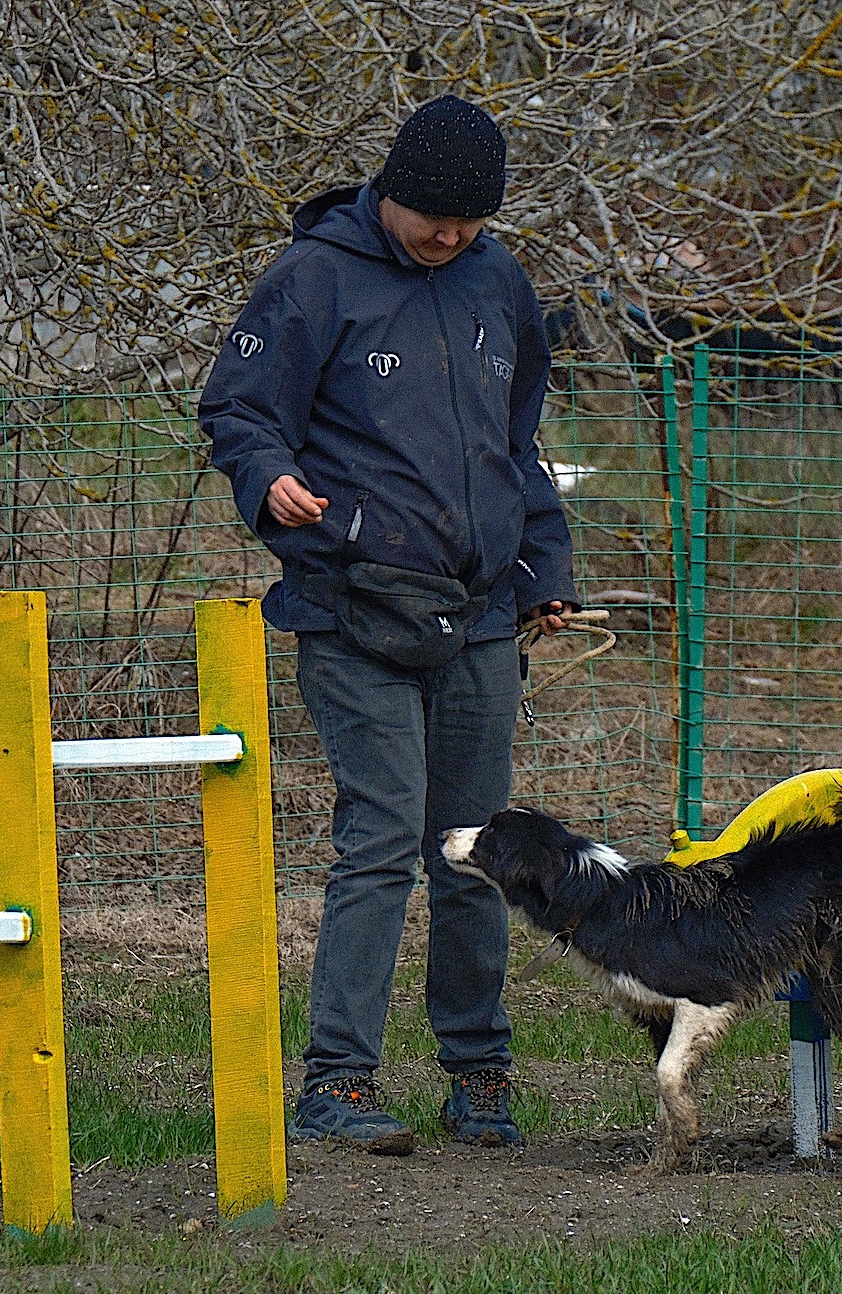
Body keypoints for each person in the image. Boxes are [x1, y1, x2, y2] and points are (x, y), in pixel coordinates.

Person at [199, 95, 579, 1155]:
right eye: (432, 219)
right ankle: (339, 1082)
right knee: (378, 839)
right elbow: (236, 408)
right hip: (351, 604)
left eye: (467, 223)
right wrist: (269, 478)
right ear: (389, 189)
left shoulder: (497, 284)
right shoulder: (311, 277)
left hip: (481, 614)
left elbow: (519, 444)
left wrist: (543, 567)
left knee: (474, 852)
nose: (447, 237)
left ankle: (477, 1072)